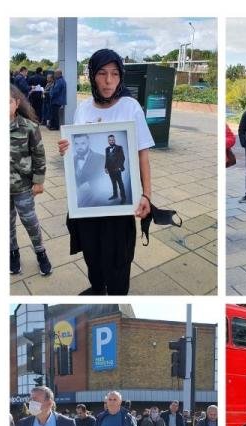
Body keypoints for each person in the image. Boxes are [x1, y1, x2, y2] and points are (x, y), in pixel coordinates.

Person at [58, 49, 154, 296]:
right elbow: (77, 148)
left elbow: (143, 153)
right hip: (88, 204)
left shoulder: (130, 107)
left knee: (118, 257)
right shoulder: (83, 109)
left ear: (121, 76)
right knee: (92, 252)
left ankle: (117, 294)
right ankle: (97, 288)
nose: (109, 81)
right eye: (102, 73)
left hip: (120, 206)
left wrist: (147, 195)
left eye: (114, 73)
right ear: (92, 76)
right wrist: (65, 149)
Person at [10, 84, 52, 276]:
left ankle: (40, 252)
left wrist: (39, 181)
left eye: (8, 102)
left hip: (23, 187)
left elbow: (39, 155)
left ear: (17, 103)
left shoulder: (28, 127)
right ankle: (13, 253)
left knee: (30, 222)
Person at [104, 134, 127, 202]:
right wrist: (105, 167)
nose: (111, 141)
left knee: (120, 183)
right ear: (108, 141)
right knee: (113, 183)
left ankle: (123, 198)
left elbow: (122, 157)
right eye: (110, 140)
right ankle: (115, 195)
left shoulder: (119, 147)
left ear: (115, 140)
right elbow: (107, 159)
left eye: (113, 140)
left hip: (117, 169)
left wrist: (120, 167)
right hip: (110, 169)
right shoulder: (107, 149)